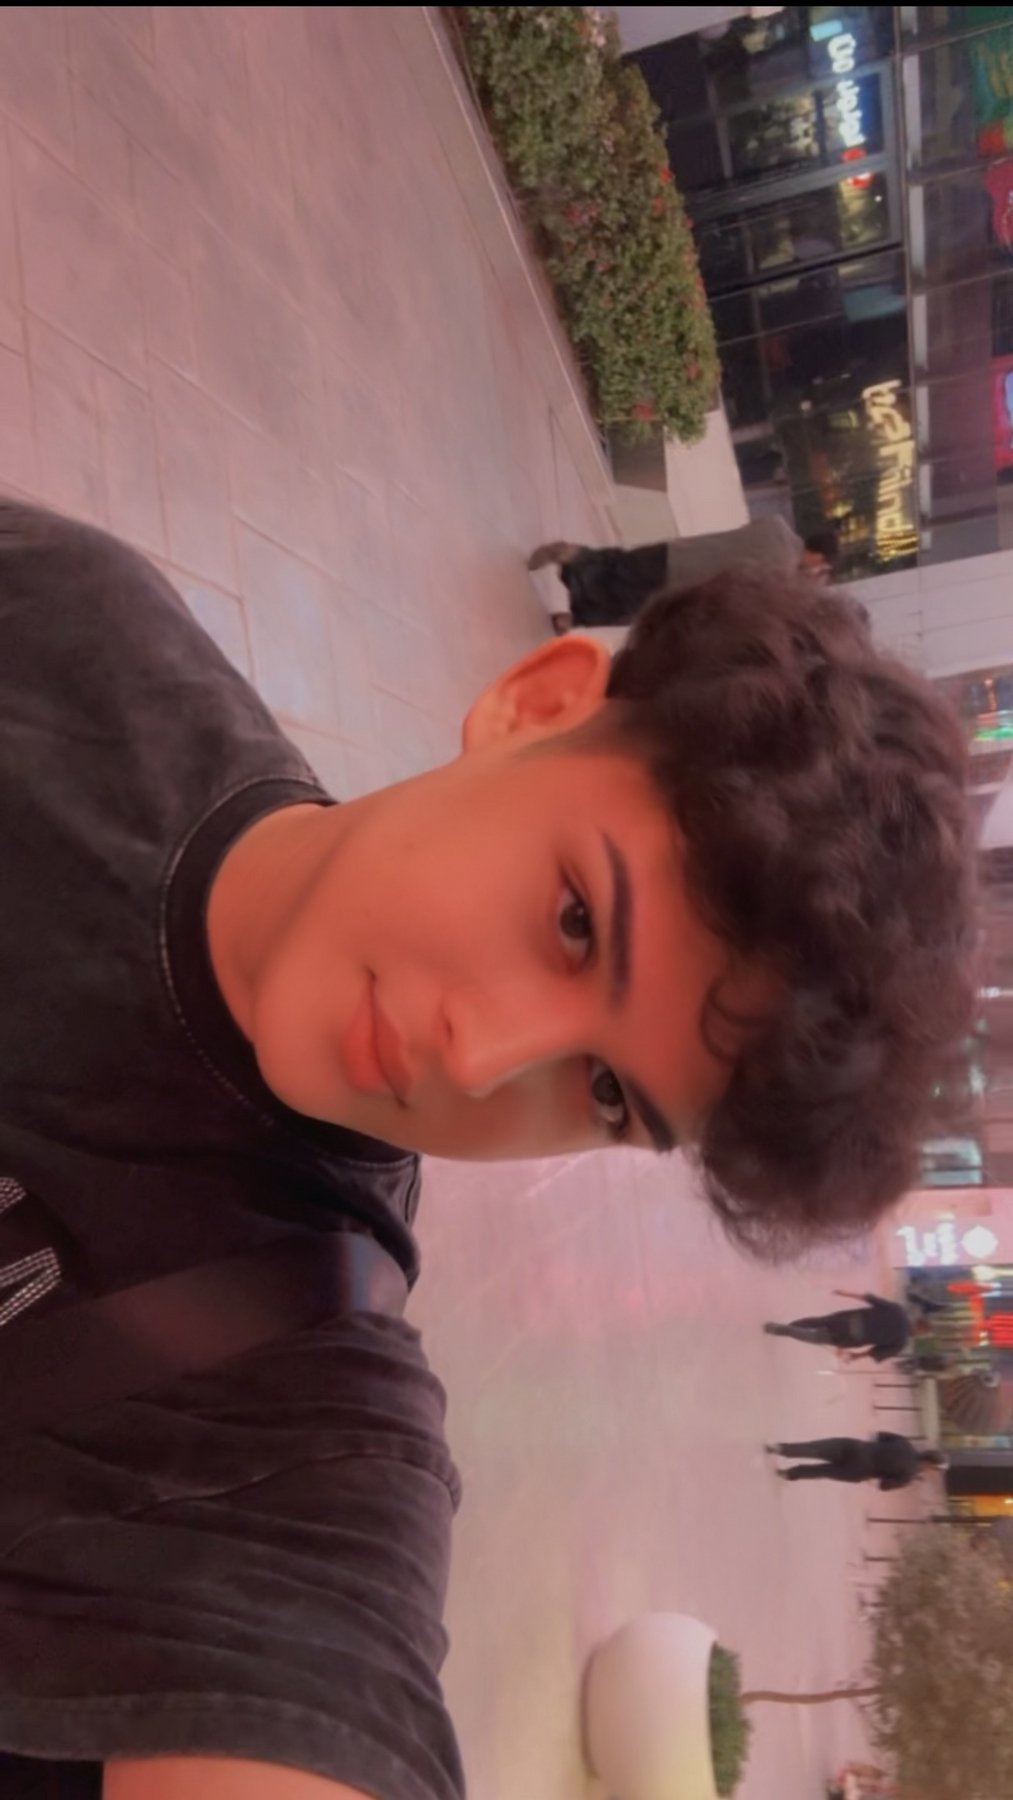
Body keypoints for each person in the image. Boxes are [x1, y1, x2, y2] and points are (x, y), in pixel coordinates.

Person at [0, 498, 977, 1798]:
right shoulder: (60, 626)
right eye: (575, 920)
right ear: (536, 703)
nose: (478, 1060)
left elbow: (315, 1672)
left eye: (607, 1091)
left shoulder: (295, 1414)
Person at [527, 518, 838, 634]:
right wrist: (806, 581)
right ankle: (568, 620)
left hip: (678, 552)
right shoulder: (782, 575)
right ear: (818, 558)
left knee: (620, 564)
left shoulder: (775, 524)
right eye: (820, 566)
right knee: (629, 610)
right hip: (683, 584)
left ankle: (575, 555)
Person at [764, 1289, 918, 1363]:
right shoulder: (900, 1343)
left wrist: (844, 1293)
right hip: (853, 1338)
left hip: (850, 1318)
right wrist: (855, 1356)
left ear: (915, 1321)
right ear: (916, 1334)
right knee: (815, 1337)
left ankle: (785, 1328)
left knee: (817, 1321)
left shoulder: (898, 1310)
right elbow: (875, 1352)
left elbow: (870, 1298)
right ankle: (784, 1330)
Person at [767, 1436, 949, 1488]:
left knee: (816, 1448)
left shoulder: (905, 1443)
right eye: (934, 1470)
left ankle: (781, 1448)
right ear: (930, 1465)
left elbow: (881, 1435)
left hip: (856, 1448)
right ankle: (788, 1473)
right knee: (823, 1471)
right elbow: (885, 1485)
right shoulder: (908, 1475)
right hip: (858, 1471)